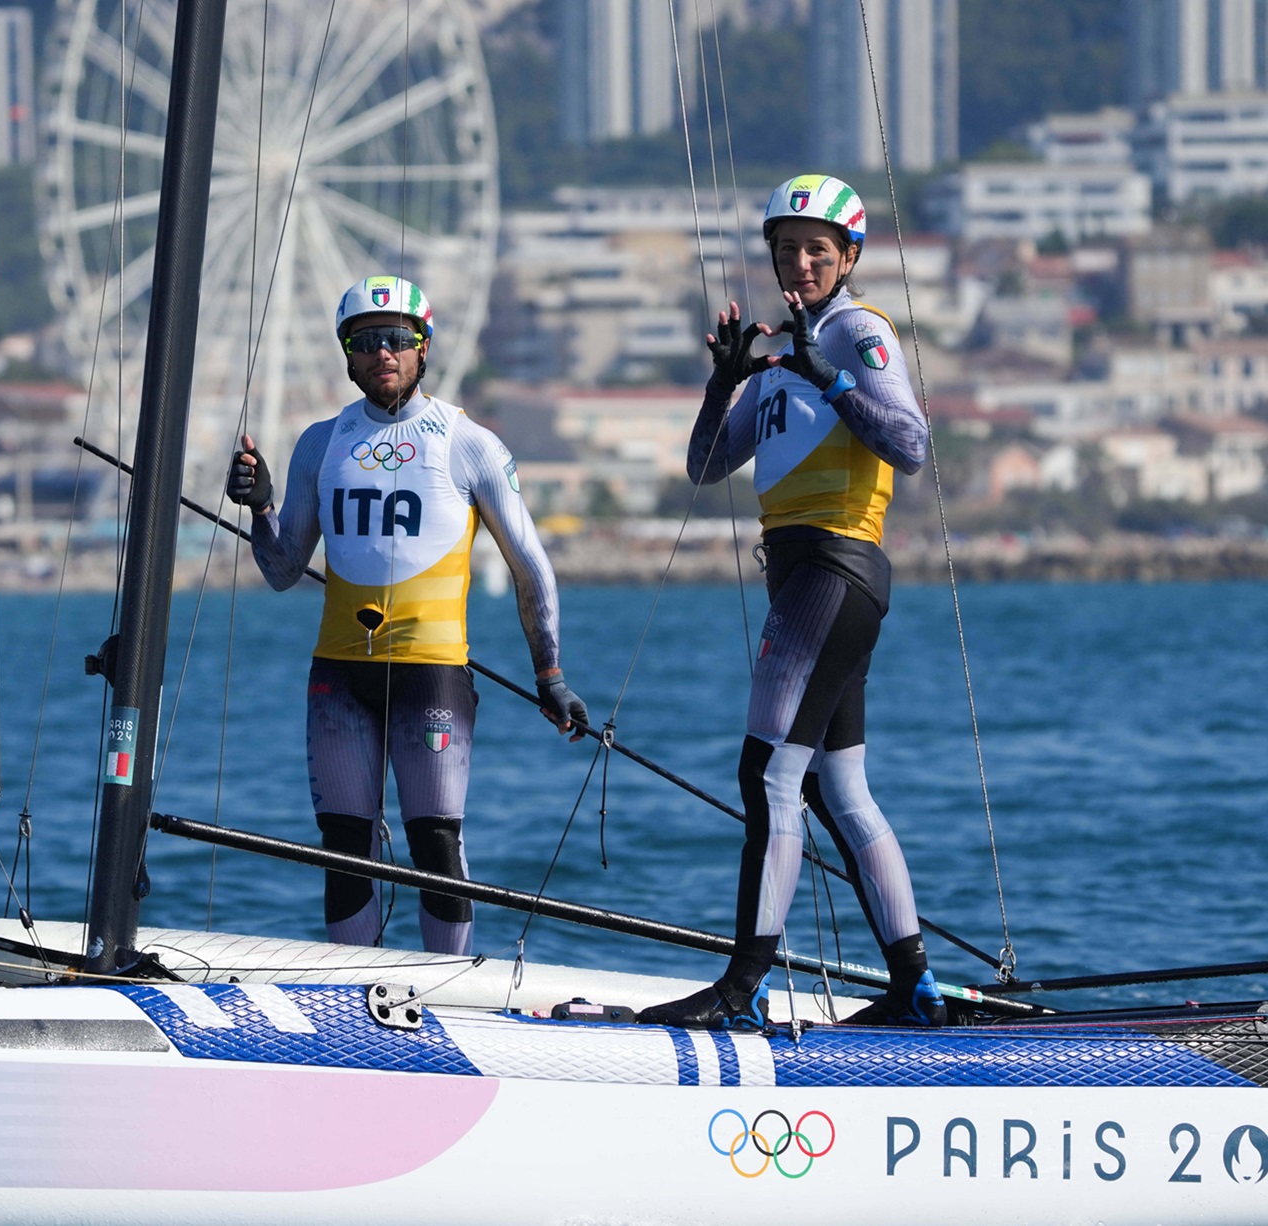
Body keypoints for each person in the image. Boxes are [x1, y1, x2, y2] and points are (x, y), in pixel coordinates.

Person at [638, 175, 942, 1030]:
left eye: (817, 250)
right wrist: (723, 382)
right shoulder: (781, 361)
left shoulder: (857, 330)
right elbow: (704, 468)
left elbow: (913, 445)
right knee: (840, 787)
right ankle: (913, 988)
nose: (800, 263)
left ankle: (741, 989)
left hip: (832, 572)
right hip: (809, 577)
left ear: (848, 258)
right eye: (787, 250)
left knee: (767, 773)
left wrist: (834, 381)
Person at [227, 275, 588, 956]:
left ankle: (445, 993)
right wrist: (261, 508)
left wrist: (550, 673)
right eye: (366, 342)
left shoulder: (468, 441)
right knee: (344, 846)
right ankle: (354, 986)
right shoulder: (319, 443)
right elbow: (280, 571)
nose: (382, 353)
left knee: (434, 840)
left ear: (423, 350)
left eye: (396, 340)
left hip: (432, 677)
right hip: (339, 677)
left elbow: (531, 565)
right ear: (347, 355)